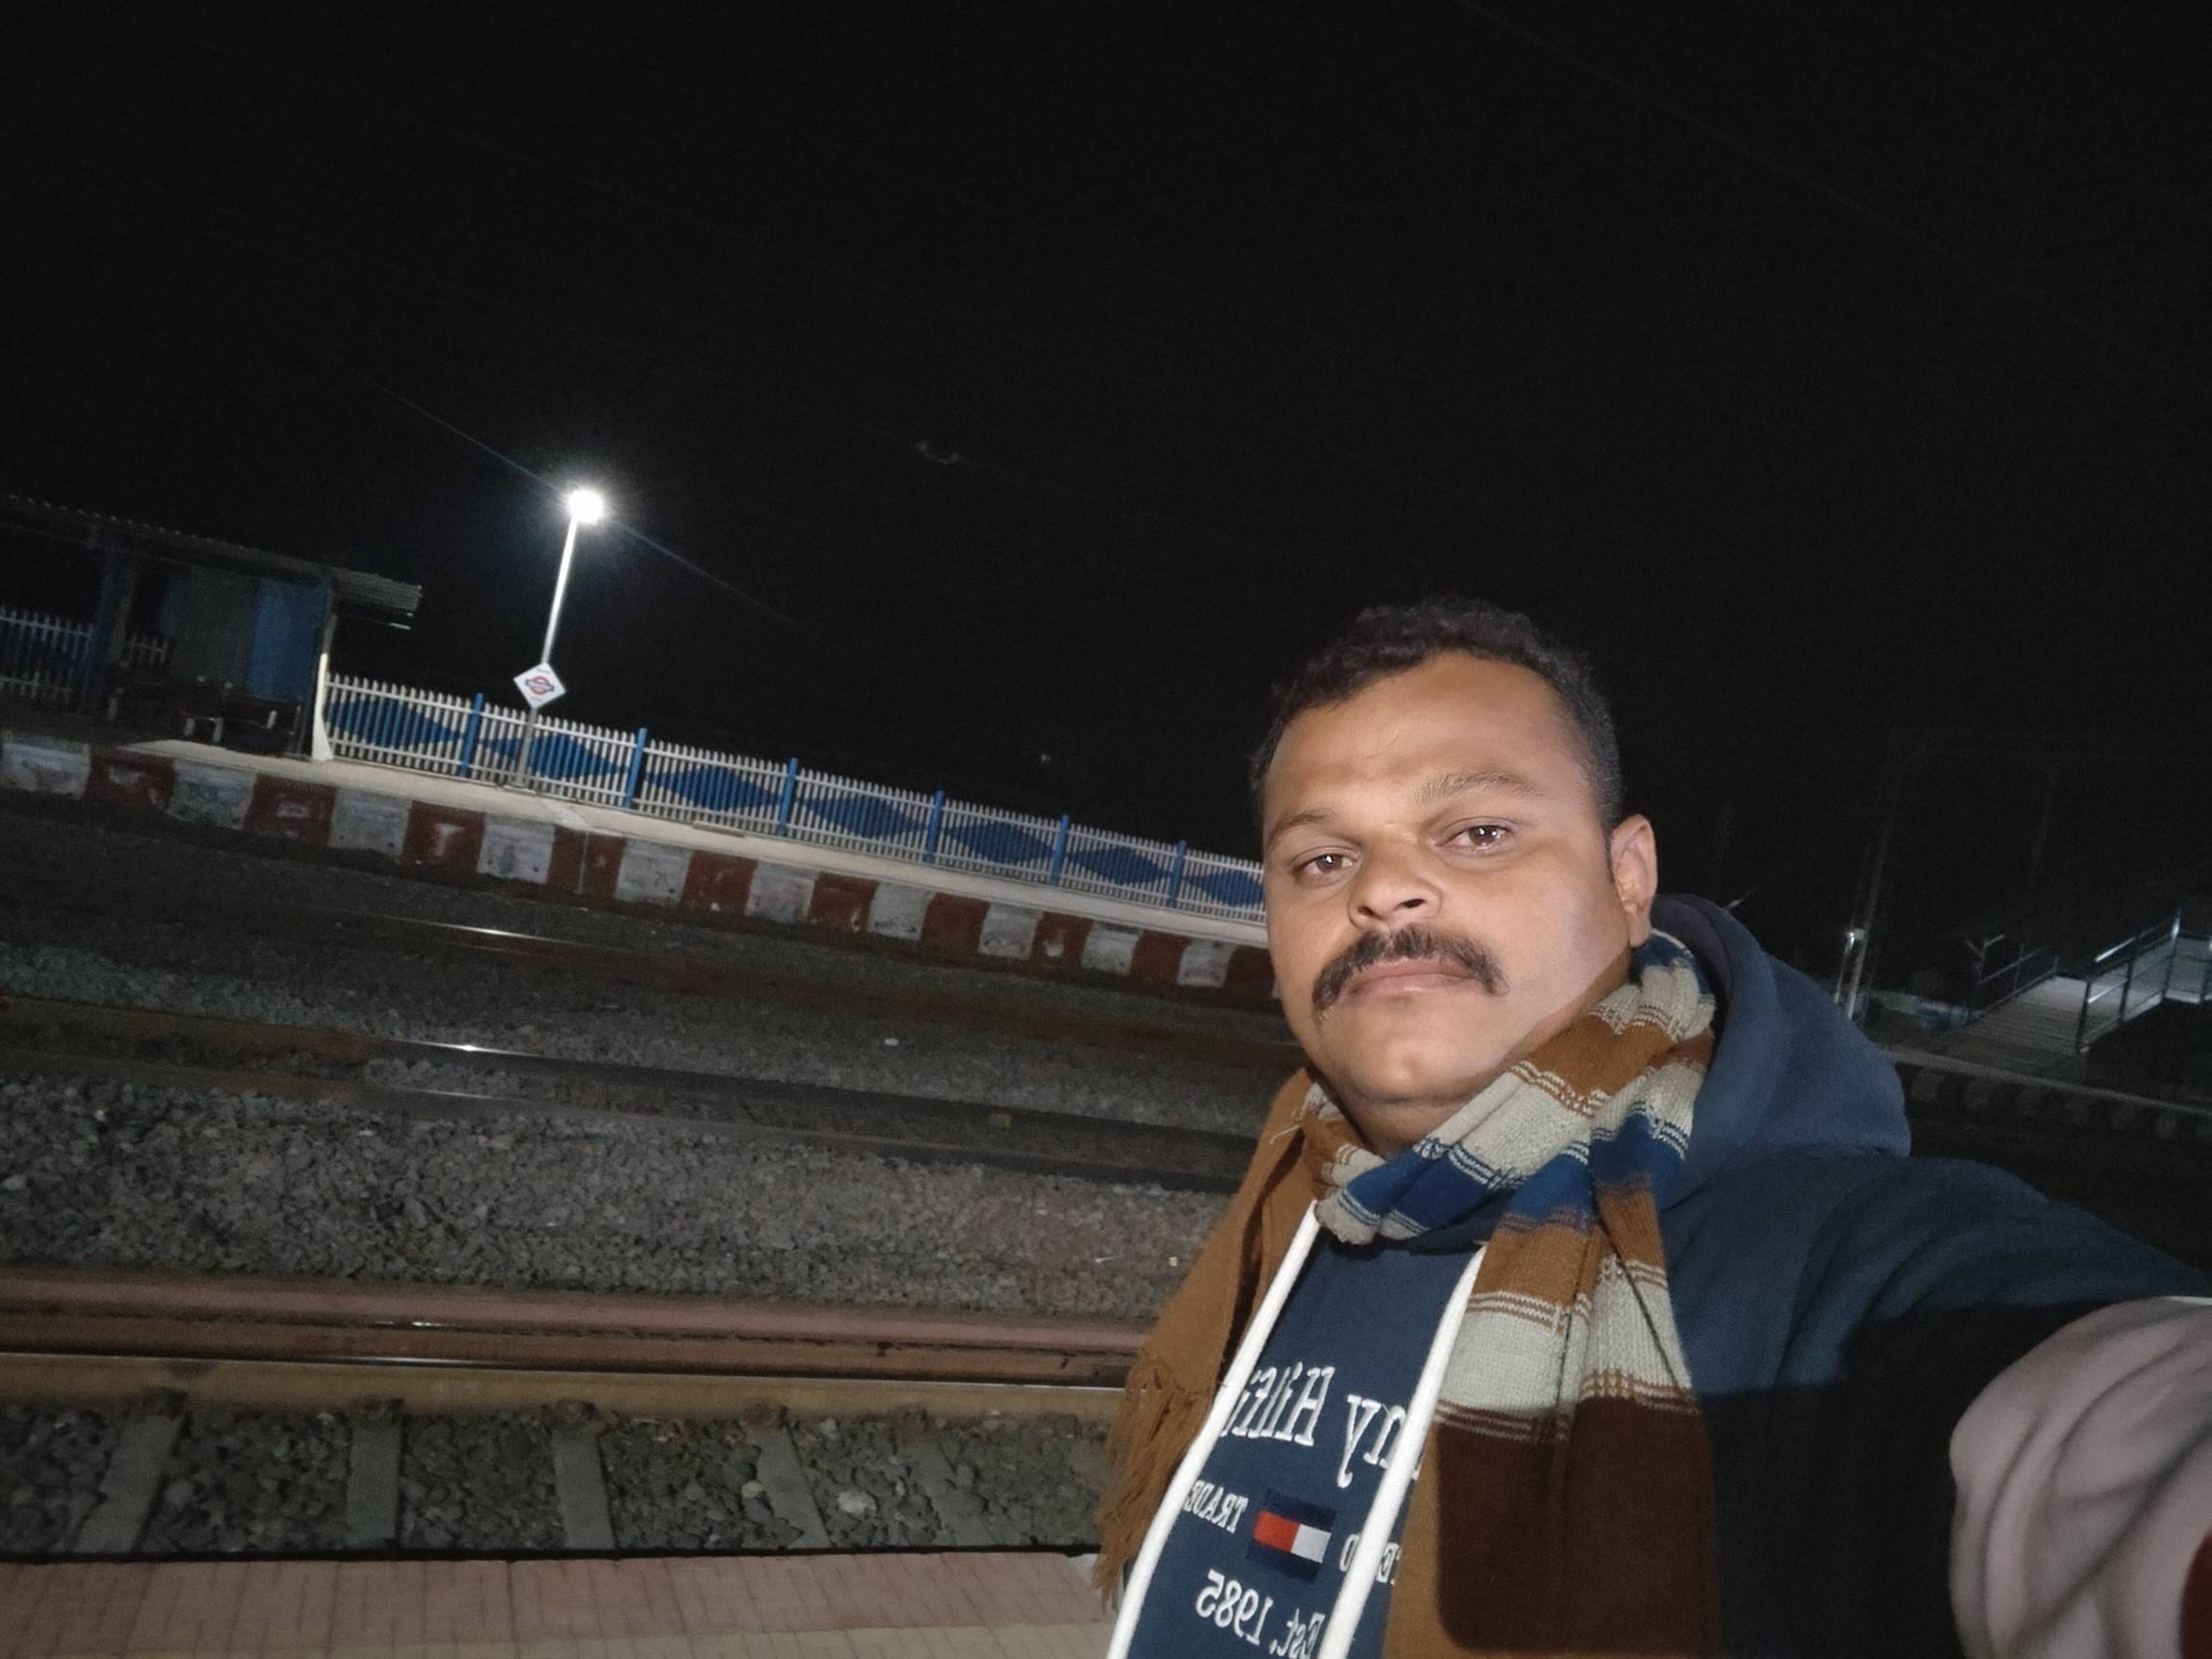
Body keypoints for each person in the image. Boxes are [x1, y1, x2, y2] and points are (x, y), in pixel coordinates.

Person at [1096, 598, 2211, 1659]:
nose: (1384, 890)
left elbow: (2110, 1452)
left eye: (1477, 831)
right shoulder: (1291, 1205)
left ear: (1629, 879)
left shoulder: (1825, 1278)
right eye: (1323, 860)